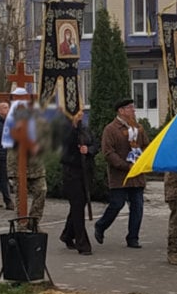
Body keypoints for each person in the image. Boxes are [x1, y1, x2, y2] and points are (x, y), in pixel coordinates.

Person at [95, 98, 145, 248]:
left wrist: (143, 160)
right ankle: (101, 225)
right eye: (130, 108)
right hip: (120, 176)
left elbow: (146, 146)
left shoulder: (138, 128)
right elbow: (108, 152)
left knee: (137, 206)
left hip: (136, 175)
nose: (133, 110)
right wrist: (124, 165)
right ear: (121, 111)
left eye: (133, 108)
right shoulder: (110, 129)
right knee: (117, 204)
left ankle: (133, 237)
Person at [3, 86, 47, 224]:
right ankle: (21, 224)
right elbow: (9, 140)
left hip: (35, 164)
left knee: (42, 191)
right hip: (18, 164)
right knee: (21, 196)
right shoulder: (11, 118)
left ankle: (34, 223)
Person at [59, 106, 95, 254]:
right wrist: (74, 128)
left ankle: (67, 234)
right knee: (78, 206)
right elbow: (66, 146)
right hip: (71, 172)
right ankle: (82, 243)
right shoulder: (65, 129)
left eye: (82, 111)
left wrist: (89, 150)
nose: (81, 114)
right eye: (78, 112)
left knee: (79, 205)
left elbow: (95, 144)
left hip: (85, 171)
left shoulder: (85, 128)